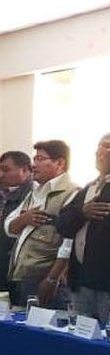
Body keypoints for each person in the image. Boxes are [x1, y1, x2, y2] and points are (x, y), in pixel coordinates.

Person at [5, 140, 79, 306]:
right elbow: (9, 227)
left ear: (60, 163)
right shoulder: (35, 191)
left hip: (47, 280)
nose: (34, 164)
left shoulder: (71, 193)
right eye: (34, 158)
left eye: (40, 158)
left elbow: (69, 242)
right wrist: (24, 219)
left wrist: (52, 279)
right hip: (24, 275)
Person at [57, 132, 110, 323]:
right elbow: (62, 224)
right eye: (99, 146)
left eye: (107, 147)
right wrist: (82, 213)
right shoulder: (90, 188)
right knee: (80, 339)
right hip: (82, 282)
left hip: (106, 285)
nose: (100, 152)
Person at [0, 151, 33, 291]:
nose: (0, 175)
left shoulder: (32, 196)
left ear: (26, 170)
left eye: (6, 170)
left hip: (14, 274)